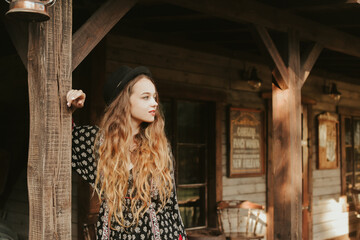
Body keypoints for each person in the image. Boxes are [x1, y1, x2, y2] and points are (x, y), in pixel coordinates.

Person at [67, 66, 187, 240]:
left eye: (154, 97)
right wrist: (70, 109)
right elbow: (63, 142)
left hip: (158, 234)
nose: (154, 103)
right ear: (123, 102)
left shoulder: (158, 146)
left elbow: (171, 206)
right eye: (145, 97)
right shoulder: (99, 143)